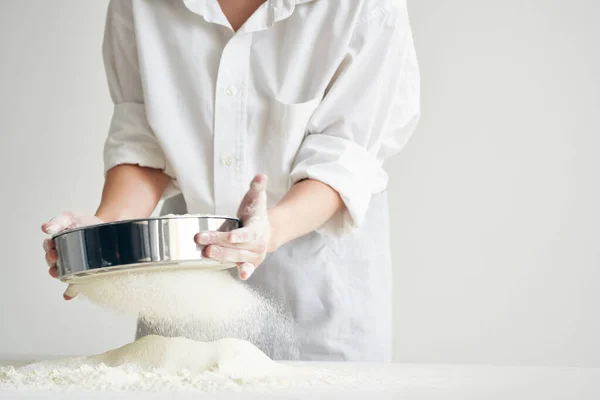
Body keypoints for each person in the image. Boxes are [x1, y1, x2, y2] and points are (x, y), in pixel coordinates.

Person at [41, 0, 420, 361]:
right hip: (185, 272)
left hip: (320, 281)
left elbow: (344, 154)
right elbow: (144, 137)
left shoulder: (367, 6)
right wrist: (104, 230)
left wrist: (268, 230)